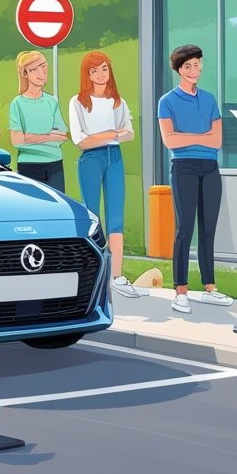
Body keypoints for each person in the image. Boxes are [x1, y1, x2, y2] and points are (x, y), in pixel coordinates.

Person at [157, 44, 232, 314]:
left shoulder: (209, 99)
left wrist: (187, 137)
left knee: (208, 229)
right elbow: (169, 141)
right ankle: (181, 291)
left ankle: (209, 287)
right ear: (178, 70)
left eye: (197, 64)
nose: (194, 70)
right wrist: (201, 138)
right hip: (183, 167)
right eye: (187, 66)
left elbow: (218, 140)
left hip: (210, 168)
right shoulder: (167, 101)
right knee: (185, 228)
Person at [69, 51, 142, 299]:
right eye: (94, 70)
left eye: (104, 69)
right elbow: (81, 141)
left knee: (116, 217)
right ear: (87, 75)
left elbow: (129, 133)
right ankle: (93, 276)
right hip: (91, 159)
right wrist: (111, 133)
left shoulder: (117, 101)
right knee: (92, 216)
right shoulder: (78, 102)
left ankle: (117, 276)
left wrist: (102, 136)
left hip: (114, 157)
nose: (101, 74)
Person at [9, 50, 69, 190]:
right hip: (29, 166)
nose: (41, 74)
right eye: (34, 69)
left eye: (43, 67)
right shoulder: (17, 103)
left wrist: (30, 137)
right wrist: (48, 136)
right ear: (25, 74)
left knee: (57, 207)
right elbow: (17, 140)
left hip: (55, 164)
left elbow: (62, 135)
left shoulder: (51, 101)